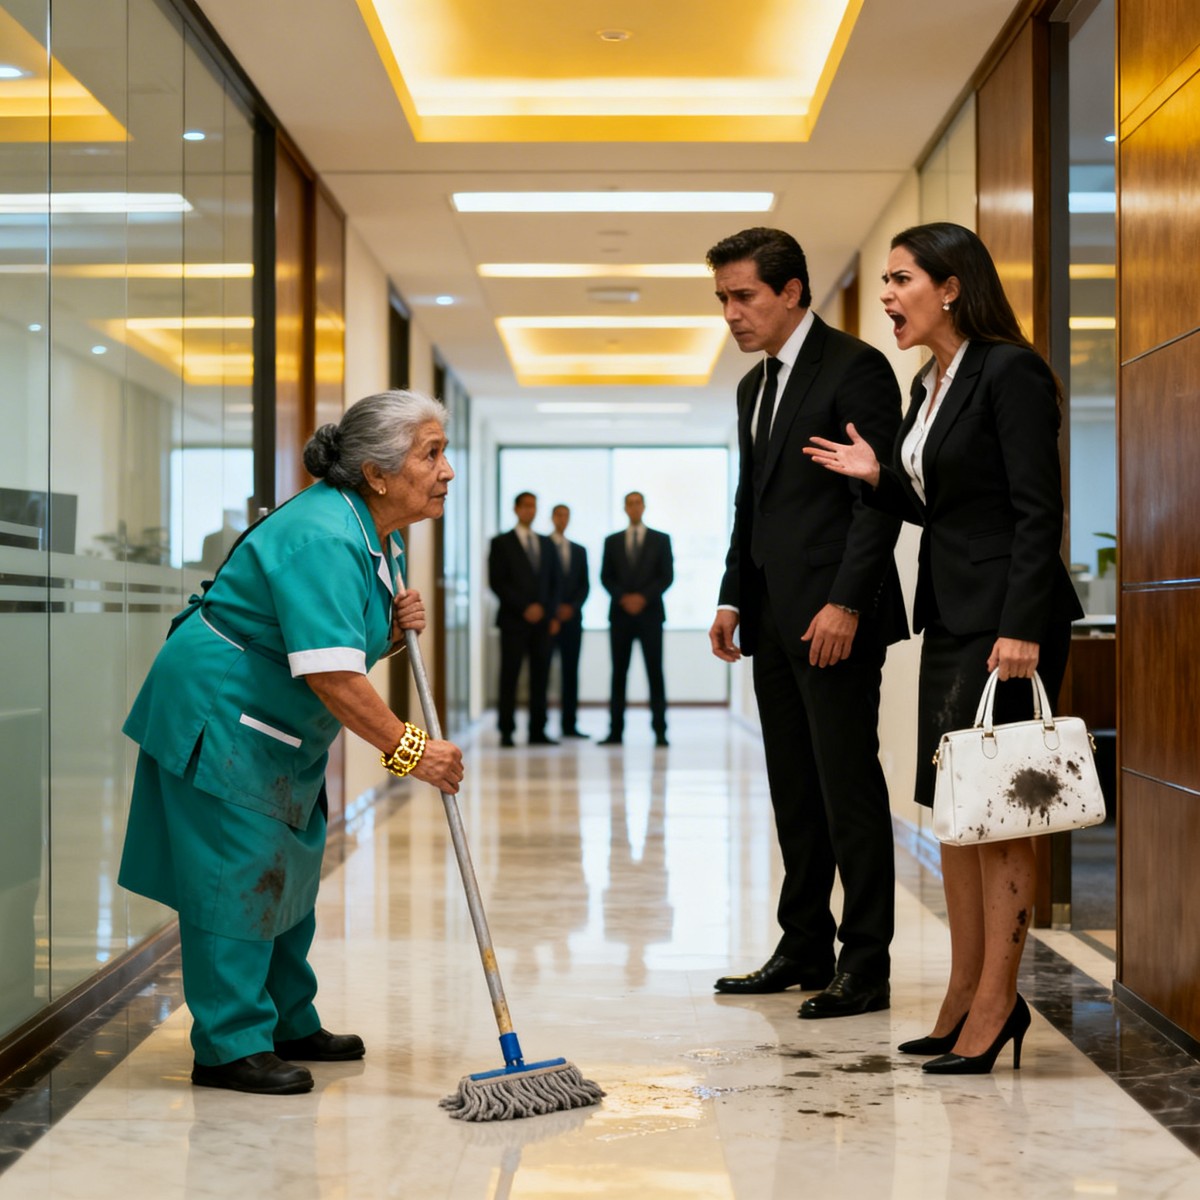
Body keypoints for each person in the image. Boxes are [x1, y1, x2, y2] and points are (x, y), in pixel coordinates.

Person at [118, 390, 464, 1096]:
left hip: (277, 722)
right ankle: (229, 1045)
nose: (446, 470)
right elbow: (333, 674)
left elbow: (332, 637)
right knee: (236, 870)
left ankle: (285, 1020)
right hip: (223, 710)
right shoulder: (326, 536)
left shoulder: (376, 534)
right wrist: (411, 750)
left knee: (289, 866)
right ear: (377, 473)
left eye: (443, 452)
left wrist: (392, 627)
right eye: (431, 454)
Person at [805, 221, 1084, 1071]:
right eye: (886, 281)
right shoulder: (929, 383)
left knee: (1002, 813)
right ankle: (965, 993)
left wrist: (1022, 625)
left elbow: (1037, 508)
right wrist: (879, 478)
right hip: (955, 616)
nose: (888, 295)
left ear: (951, 287)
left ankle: (998, 1004)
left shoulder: (1009, 370)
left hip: (1008, 624)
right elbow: (949, 506)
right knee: (958, 812)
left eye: (902, 279)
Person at [705, 227, 908, 1019]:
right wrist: (732, 596)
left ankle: (866, 963)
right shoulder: (753, 388)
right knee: (794, 789)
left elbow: (875, 501)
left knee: (847, 789)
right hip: (771, 617)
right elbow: (751, 503)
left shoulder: (855, 368)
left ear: (791, 292)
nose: (731, 313)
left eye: (743, 296)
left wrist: (847, 602)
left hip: (835, 620)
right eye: (722, 298)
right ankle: (803, 946)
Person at [599, 492, 673, 747]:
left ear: (643, 507)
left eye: (637, 503)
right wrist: (624, 598)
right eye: (629, 504)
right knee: (619, 673)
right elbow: (606, 576)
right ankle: (615, 731)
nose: (634, 507)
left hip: (650, 615)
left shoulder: (661, 539)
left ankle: (660, 730)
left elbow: (666, 576)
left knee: (655, 672)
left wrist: (642, 598)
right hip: (620, 616)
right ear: (625, 508)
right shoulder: (612, 541)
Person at [488, 492, 561, 747]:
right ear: (516, 509)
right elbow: (497, 582)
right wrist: (524, 608)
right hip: (513, 620)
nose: (530, 510)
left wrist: (546, 610)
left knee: (541, 677)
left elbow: (555, 582)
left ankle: (538, 730)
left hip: (542, 622)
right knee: (510, 675)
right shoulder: (501, 543)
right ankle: (506, 730)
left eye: (534, 506)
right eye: (526, 506)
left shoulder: (547, 543)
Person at [549, 503, 590, 738]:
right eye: (559, 515)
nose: (562, 519)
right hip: (548, 620)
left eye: (566, 515)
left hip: (573, 620)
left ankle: (570, 724)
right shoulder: (544, 545)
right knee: (543, 673)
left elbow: (584, 585)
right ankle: (539, 726)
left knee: (570, 673)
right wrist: (554, 610)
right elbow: (543, 582)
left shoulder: (579, 550)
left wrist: (571, 607)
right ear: (552, 518)